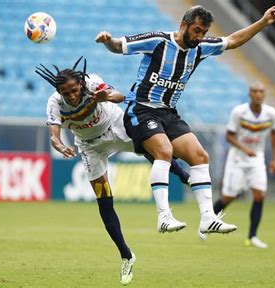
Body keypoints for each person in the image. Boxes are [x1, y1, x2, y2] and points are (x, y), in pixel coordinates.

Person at [95, 5, 275, 238]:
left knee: (200, 156)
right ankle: (164, 216)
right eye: (196, 30)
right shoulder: (158, 41)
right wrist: (107, 40)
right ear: (184, 24)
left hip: (169, 113)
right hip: (141, 109)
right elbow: (118, 46)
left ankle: (207, 218)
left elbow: (233, 40)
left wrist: (263, 21)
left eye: (203, 32)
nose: (199, 36)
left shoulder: (200, 48)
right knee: (164, 151)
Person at [37, 57, 190, 285]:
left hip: (115, 126)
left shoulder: (91, 82)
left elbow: (120, 96)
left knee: (155, 150)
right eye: (64, 92)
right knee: (104, 200)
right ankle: (126, 255)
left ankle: (186, 177)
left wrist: (104, 95)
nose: (70, 96)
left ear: (80, 84)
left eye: (73, 90)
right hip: (90, 146)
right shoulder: (54, 103)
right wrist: (59, 144)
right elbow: (54, 133)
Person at [213, 81, 275, 248]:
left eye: (261, 91)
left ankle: (252, 236)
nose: (258, 94)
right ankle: (207, 221)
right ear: (250, 94)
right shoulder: (239, 112)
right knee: (229, 197)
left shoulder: (271, 113)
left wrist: (274, 159)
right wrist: (244, 148)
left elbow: (273, 134)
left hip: (257, 158)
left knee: (260, 195)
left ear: (264, 95)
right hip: (237, 159)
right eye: (255, 91)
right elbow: (229, 136)